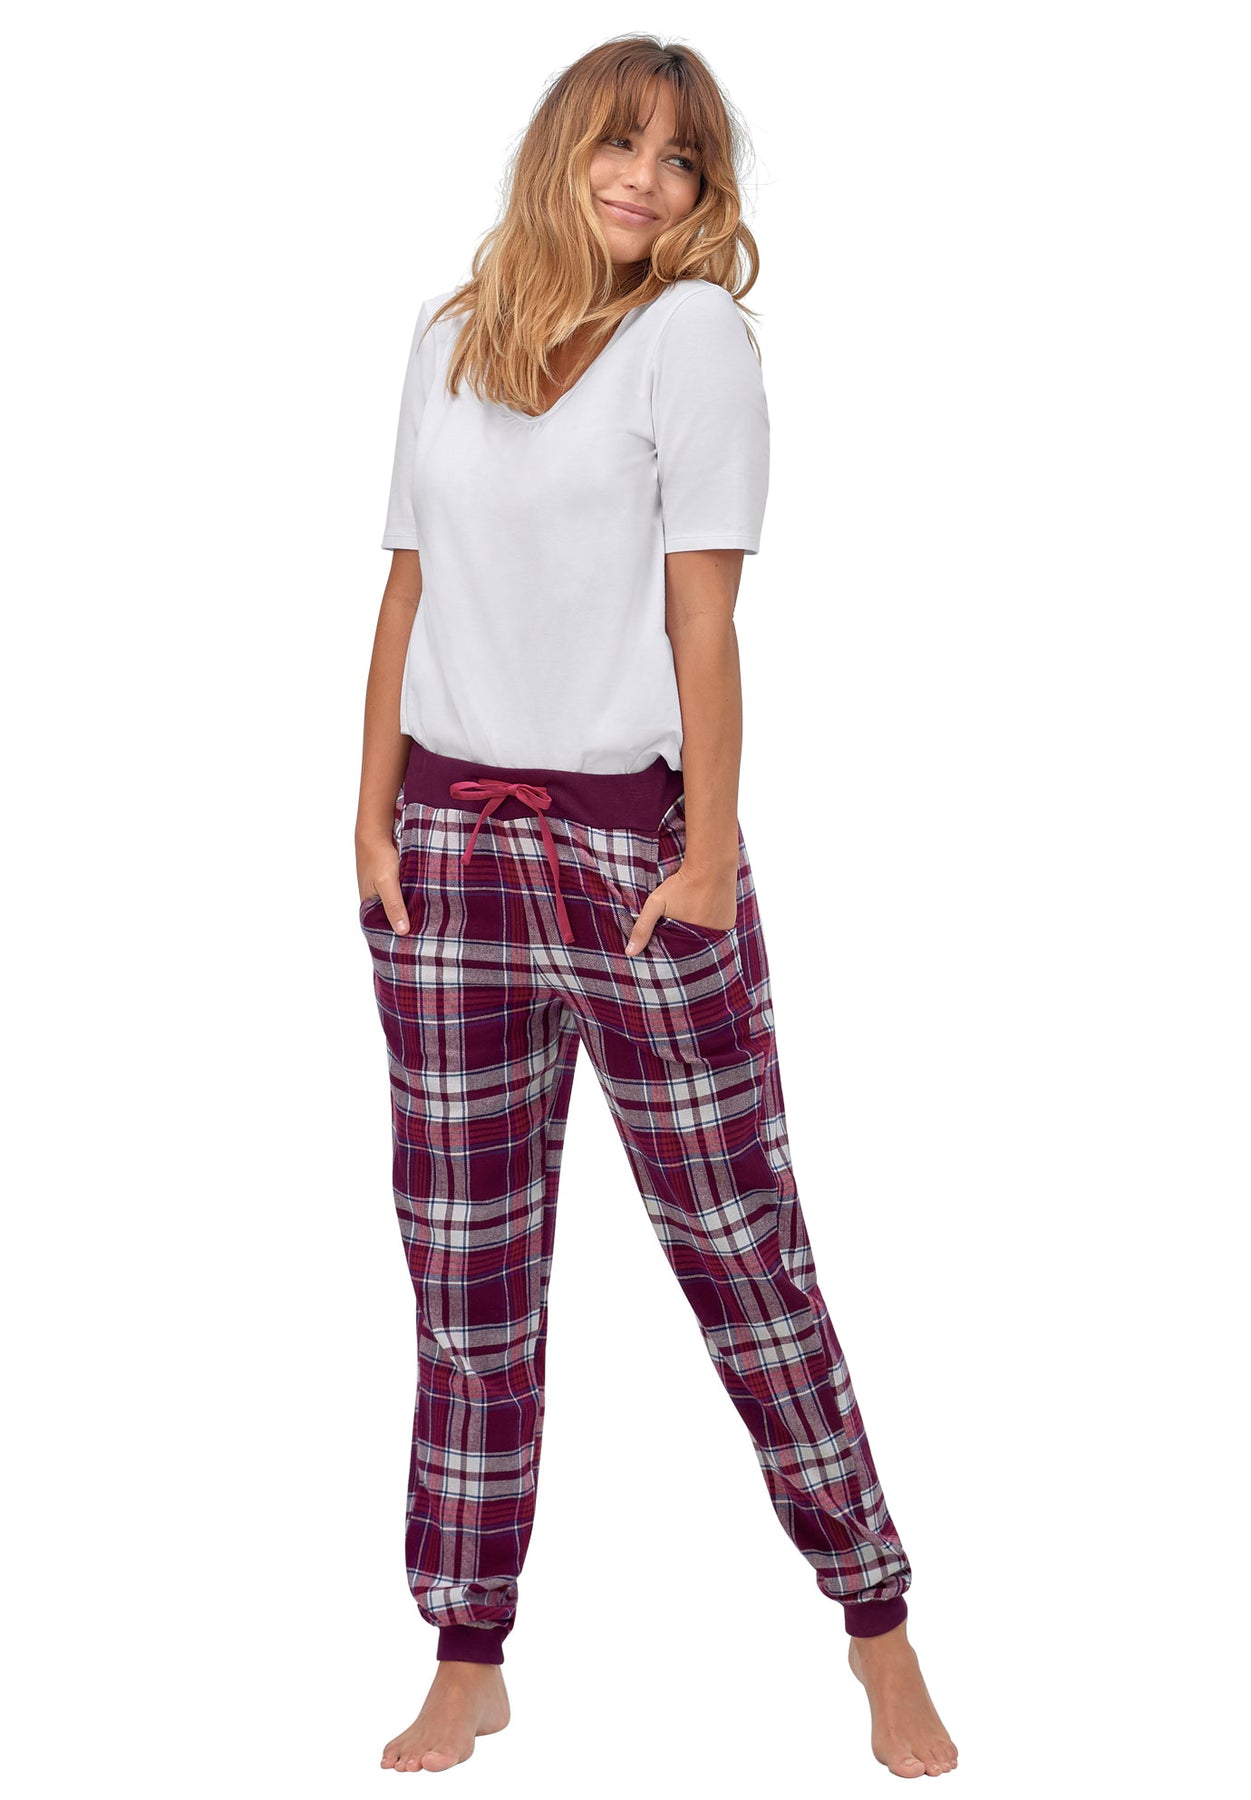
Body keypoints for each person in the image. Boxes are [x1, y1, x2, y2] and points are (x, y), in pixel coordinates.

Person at [355, 33, 958, 1780]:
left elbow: (706, 617)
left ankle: (878, 1625)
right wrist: (367, 819)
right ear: (561, 149)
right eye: (620, 144)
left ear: (704, 193)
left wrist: (706, 856)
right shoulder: (447, 338)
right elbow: (403, 592)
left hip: (633, 861)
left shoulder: (691, 341)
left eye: (681, 159)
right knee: (467, 1275)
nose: (645, 178)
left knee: (741, 1252)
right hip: (445, 854)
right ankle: (468, 1650)